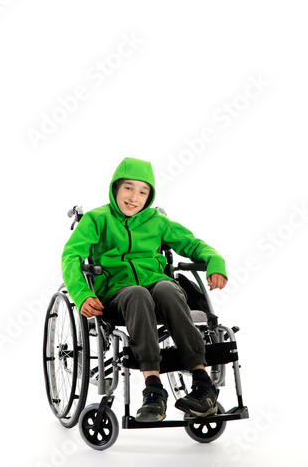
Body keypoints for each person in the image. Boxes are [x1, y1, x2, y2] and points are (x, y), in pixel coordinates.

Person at [61, 157, 228, 422]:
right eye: (128, 188)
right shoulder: (96, 219)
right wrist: (82, 294)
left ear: (149, 196)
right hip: (118, 295)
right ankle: (153, 389)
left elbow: (193, 244)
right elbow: (71, 256)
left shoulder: (156, 221)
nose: (133, 197)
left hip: (158, 291)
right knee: (137, 294)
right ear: (115, 188)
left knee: (167, 289)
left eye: (142, 191)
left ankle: (203, 385)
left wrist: (215, 262)